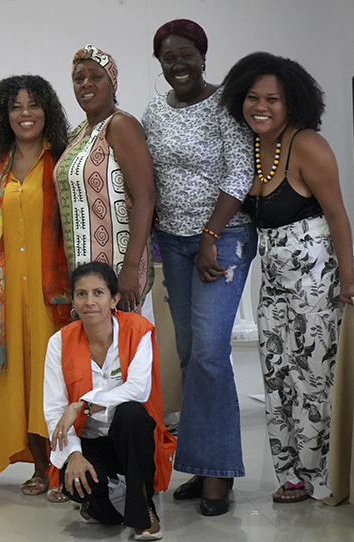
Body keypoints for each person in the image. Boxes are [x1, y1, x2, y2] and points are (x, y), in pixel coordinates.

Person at [221, 52, 354, 502]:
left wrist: (350, 281)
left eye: (272, 99)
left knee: (313, 377)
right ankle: (291, 472)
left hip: (315, 278)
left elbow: (337, 215)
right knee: (276, 374)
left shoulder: (308, 144)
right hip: (273, 279)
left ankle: (322, 475)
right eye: (253, 98)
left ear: (291, 102)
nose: (261, 106)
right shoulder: (252, 146)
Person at [141, 19, 256, 516]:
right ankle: (205, 463)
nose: (178, 64)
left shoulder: (226, 104)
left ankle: (219, 476)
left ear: (203, 57)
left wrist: (211, 235)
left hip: (223, 238)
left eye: (186, 54)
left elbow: (240, 170)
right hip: (174, 242)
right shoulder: (154, 111)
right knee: (188, 355)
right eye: (169, 57)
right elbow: (147, 178)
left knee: (209, 352)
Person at [0, 75, 72, 496]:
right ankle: (36, 464)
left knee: (53, 379)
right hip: (4, 298)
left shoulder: (63, 161)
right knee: (20, 380)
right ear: (4, 115)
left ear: (47, 110)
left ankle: (64, 466)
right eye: (15, 106)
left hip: (52, 293)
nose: (25, 113)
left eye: (34, 104)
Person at [44, 262, 173, 540]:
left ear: (114, 298)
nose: (89, 302)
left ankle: (143, 510)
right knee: (98, 507)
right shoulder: (59, 342)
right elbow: (55, 410)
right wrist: (74, 454)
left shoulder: (138, 330)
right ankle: (95, 504)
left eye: (98, 293)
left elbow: (138, 389)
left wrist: (82, 405)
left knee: (131, 414)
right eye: (81, 294)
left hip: (130, 437)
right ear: (72, 300)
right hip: (88, 441)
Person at [54, 45, 155, 312]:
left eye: (96, 76)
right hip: (85, 272)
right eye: (79, 78)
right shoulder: (79, 133)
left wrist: (130, 268)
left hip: (117, 268)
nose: (86, 84)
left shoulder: (120, 125)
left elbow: (145, 198)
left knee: (118, 348)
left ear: (113, 83)